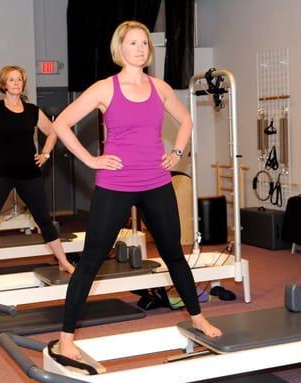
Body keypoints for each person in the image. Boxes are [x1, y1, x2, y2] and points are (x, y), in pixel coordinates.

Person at [53, 20, 221, 361]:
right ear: (120, 49)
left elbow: (186, 120)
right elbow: (60, 123)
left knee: (173, 253)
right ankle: (66, 337)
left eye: (144, 42)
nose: (141, 48)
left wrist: (176, 152)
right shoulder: (104, 88)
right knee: (90, 261)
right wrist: (91, 160)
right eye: (133, 43)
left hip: (156, 182)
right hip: (115, 184)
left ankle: (198, 317)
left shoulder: (159, 88)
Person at [0, 65, 74, 290]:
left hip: (29, 173)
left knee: (44, 220)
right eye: (12, 80)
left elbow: (53, 131)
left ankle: (64, 262)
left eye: (19, 79)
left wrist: (46, 153)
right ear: (4, 84)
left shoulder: (32, 111)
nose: (16, 83)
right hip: (0, 173)